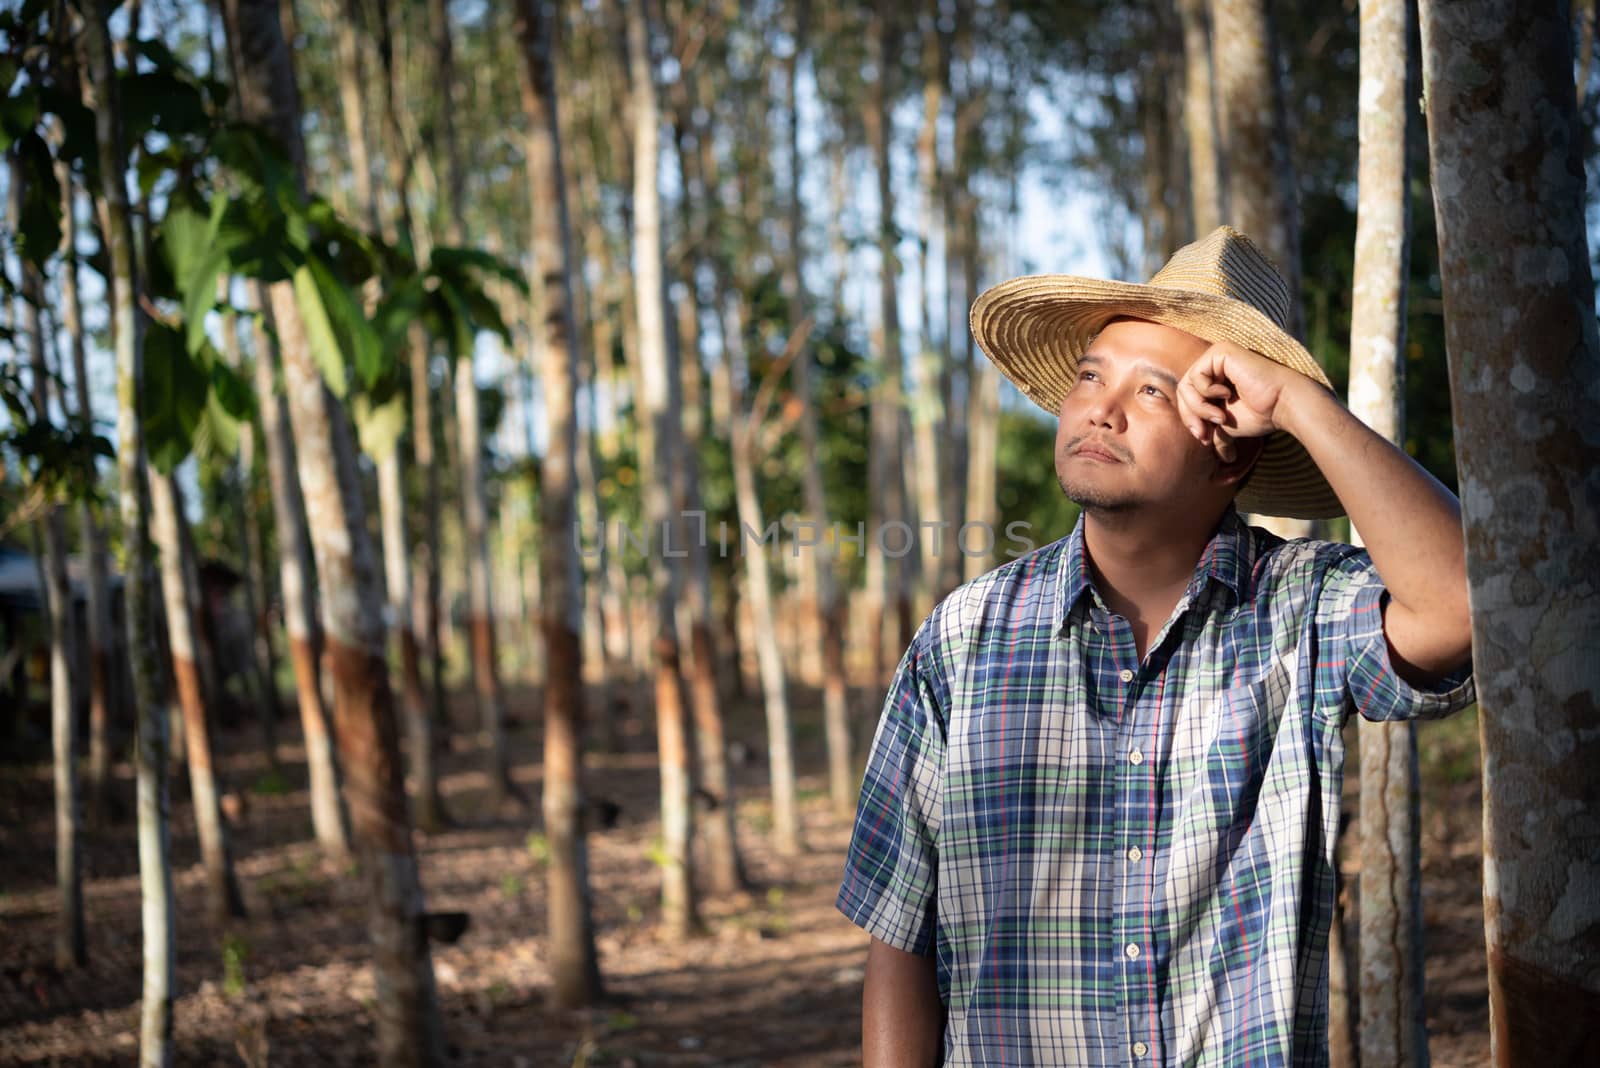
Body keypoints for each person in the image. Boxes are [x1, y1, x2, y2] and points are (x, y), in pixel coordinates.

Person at [836, 226, 1474, 1067]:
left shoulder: (1300, 608)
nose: (1099, 406)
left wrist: (1296, 401)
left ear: (1231, 448)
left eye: (1152, 392)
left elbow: (1465, 605)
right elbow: (900, 934)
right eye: (1091, 376)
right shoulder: (964, 637)